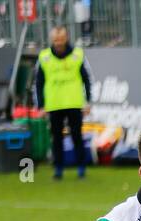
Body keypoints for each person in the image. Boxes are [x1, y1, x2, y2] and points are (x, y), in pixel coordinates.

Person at [33, 26, 93, 180]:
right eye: (55, 40)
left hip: (74, 103)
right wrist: (40, 105)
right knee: (56, 138)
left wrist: (88, 102)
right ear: (51, 40)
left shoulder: (77, 55)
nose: (58, 43)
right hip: (54, 104)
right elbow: (38, 83)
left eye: (60, 39)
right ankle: (58, 169)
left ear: (66, 38)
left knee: (76, 136)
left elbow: (87, 79)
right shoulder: (44, 57)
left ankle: (81, 168)